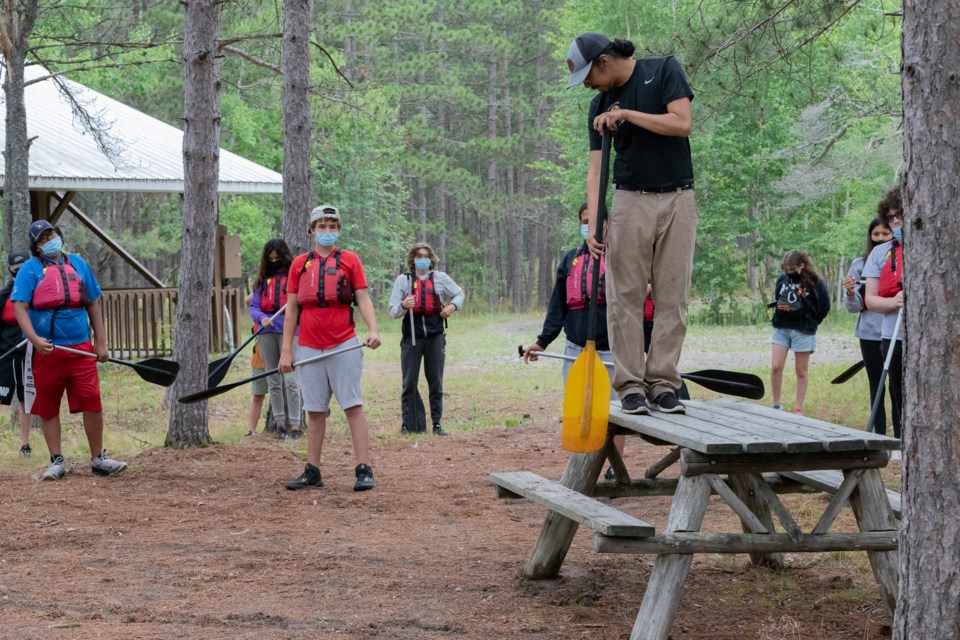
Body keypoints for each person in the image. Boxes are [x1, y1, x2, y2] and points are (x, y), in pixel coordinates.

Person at [565, 32, 697, 415]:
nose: (587, 84)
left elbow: (682, 123)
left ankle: (663, 383)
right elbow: (594, 171)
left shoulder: (664, 70)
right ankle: (631, 386)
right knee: (625, 298)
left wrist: (625, 115)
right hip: (628, 200)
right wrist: (595, 222)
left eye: (588, 75)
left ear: (604, 61)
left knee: (672, 296)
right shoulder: (598, 105)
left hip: (678, 198)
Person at [11, 220, 127, 480]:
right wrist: (35, 340)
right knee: (49, 406)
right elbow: (20, 308)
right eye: (42, 239)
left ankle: (98, 458)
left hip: (81, 350)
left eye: (51, 234)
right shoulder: (29, 270)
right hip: (47, 351)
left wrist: (101, 343)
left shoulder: (78, 264)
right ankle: (56, 460)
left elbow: (93, 303)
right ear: (36, 247)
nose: (49, 239)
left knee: (92, 401)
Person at [279, 204, 381, 491]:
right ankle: (312, 470)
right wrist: (287, 350)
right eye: (321, 226)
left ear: (338, 230)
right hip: (309, 347)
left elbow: (362, 298)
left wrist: (373, 330)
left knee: (352, 405)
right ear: (312, 230)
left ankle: (363, 468)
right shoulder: (300, 264)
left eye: (332, 226)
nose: (327, 231)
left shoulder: (350, 260)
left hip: (343, 344)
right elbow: (291, 310)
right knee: (313, 411)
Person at [388, 242, 464, 436]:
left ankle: (437, 423)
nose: (423, 259)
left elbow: (459, 293)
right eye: (418, 255)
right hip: (411, 337)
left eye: (426, 255)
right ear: (412, 259)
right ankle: (408, 423)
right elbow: (392, 311)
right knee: (409, 382)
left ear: (431, 259)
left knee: (436, 381)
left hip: (435, 336)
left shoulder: (440, 279)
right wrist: (404, 305)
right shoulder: (403, 281)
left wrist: (452, 307)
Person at [843, 218, 897, 437]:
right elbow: (854, 306)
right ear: (870, 236)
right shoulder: (859, 264)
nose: (881, 238)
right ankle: (879, 435)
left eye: (886, 233)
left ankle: (900, 437)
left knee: (896, 386)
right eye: (876, 234)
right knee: (876, 385)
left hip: (895, 332)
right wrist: (849, 292)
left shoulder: (902, 259)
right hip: (869, 332)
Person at [249, 239, 302, 438]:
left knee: (290, 379)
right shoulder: (262, 282)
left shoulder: (293, 278)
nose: (274, 262)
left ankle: (295, 425)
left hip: (290, 332)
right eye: (270, 259)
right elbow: (253, 306)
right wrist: (261, 318)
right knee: (273, 379)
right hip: (266, 332)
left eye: (277, 258)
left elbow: (300, 303)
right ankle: (279, 424)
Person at [863, 187, 904, 439]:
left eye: (900, 215)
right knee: (899, 393)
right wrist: (894, 303)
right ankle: (902, 442)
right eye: (891, 218)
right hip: (893, 337)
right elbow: (870, 299)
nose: (896, 221)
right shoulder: (879, 253)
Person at [769, 251, 831, 414]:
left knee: (801, 370)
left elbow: (824, 306)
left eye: (791, 268)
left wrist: (811, 321)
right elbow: (778, 297)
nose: (788, 271)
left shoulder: (814, 282)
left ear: (801, 266)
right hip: (781, 327)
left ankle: (798, 408)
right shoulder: (782, 279)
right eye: (785, 268)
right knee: (776, 366)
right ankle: (776, 405)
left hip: (803, 330)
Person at [1, 250, 34, 455]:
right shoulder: (5, 295)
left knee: (26, 398)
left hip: (29, 354)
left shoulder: (37, 292)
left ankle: (24, 444)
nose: (20, 273)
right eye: (16, 270)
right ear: (11, 271)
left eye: (23, 269)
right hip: (6, 353)